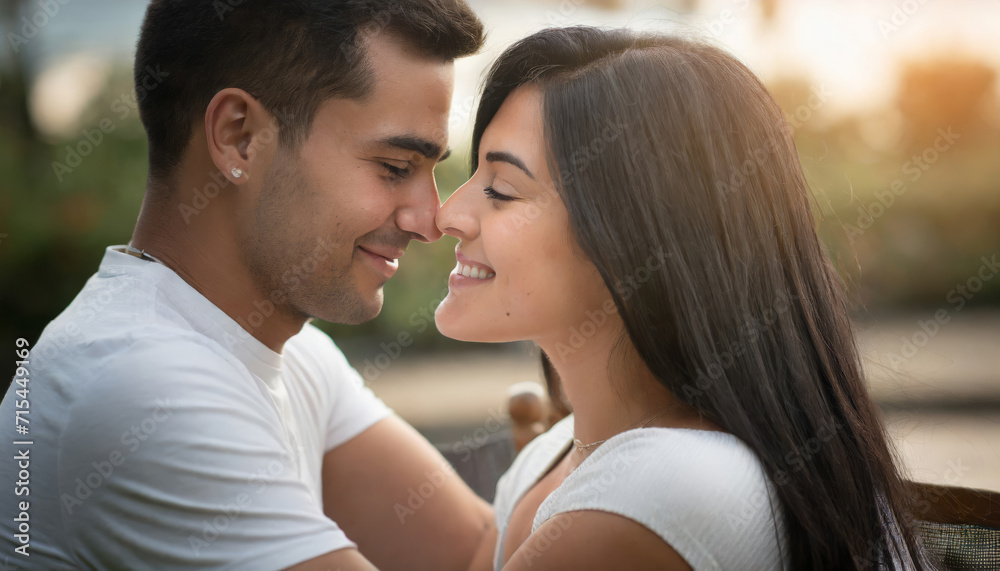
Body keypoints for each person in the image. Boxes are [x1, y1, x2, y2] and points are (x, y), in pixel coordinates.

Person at [0, 1, 494, 569]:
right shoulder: (138, 386)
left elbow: (479, 552)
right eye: (395, 167)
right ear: (239, 137)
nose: (432, 219)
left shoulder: (290, 349)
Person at [433, 27, 936, 570]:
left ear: (634, 241)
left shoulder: (657, 493)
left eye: (502, 190)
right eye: (473, 173)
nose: (448, 214)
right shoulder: (562, 452)